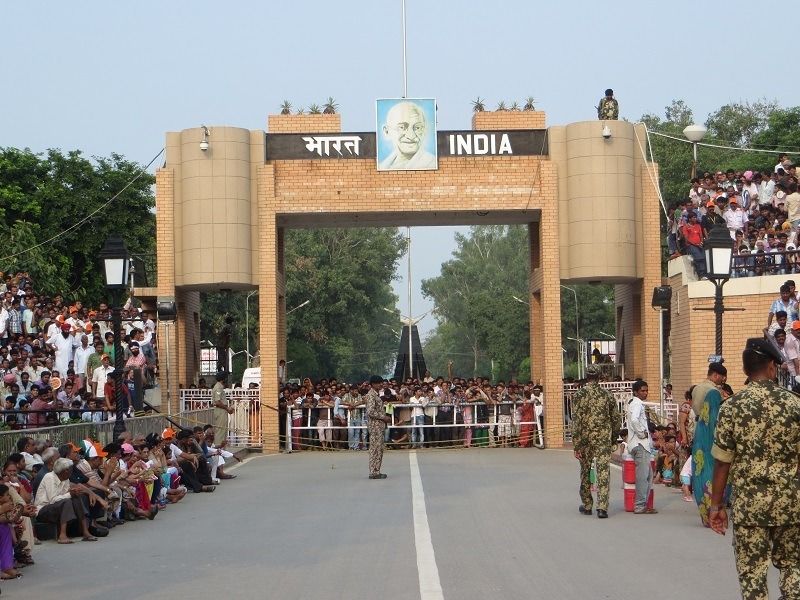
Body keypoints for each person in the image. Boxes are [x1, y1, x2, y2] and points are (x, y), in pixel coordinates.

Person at [708, 337, 800, 600]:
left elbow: (722, 462)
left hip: (749, 507)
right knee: (793, 566)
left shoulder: (731, 407)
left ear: (745, 370)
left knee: (752, 574)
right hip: (790, 504)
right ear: (772, 366)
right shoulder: (795, 404)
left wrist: (716, 506)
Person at [571, 366, 621, 519]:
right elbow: (616, 418)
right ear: (599, 377)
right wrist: (613, 437)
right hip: (603, 438)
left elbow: (576, 421)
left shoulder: (579, 395)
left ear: (587, 376)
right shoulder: (607, 395)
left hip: (585, 439)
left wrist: (576, 444)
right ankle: (602, 508)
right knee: (603, 471)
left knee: (585, 470)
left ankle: (587, 505)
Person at [626, 379, 657, 515]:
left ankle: (643, 504)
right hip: (640, 444)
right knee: (643, 477)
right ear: (636, 392)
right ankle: (639, 505)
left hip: (638, 444)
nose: (645, 393)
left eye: (646, 390)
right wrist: (641, 433)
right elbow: (634, 420)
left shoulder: (633, 403)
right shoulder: (637, 403)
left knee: (648, 476)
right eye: (642, 391)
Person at [378, 101, 437, 170]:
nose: (411, 136)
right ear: (387, 132)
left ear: (424, 130)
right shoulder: (382, 166)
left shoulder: (431, 163)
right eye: (402, 127)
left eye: (417, 128)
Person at [365, 375, 391, 479]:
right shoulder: (371, 395)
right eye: (379, 383)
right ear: (373, 384)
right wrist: (383, 417)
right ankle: (374, 472)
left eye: (381, 382)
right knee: (376, 449)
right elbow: (370, 411)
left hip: (378, 425)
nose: (381, 384)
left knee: (378, 448)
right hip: (375, 425)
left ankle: (376, 470)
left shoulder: (375, 394)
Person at [211, 371, 233, 446]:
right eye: (226, 378)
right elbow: (217, 402)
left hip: (222, 410)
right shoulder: (218, 387)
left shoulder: (219, 386)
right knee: (220, 430)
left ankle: (222, 448)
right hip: (220, 411)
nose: (227, 379)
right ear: (223, 379)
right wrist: (227, 408)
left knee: (223, 430)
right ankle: (218, 448)